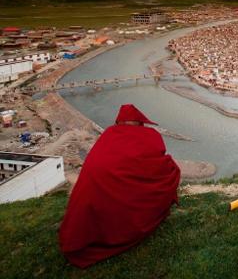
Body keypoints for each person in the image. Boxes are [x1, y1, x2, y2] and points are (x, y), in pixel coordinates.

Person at [59, 104, 181, 268]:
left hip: (94, 189)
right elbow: (157, 160)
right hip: (121, 189)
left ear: (119, 122)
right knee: (170, 169)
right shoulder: (149, 134)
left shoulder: (109, 133)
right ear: (140, 122)